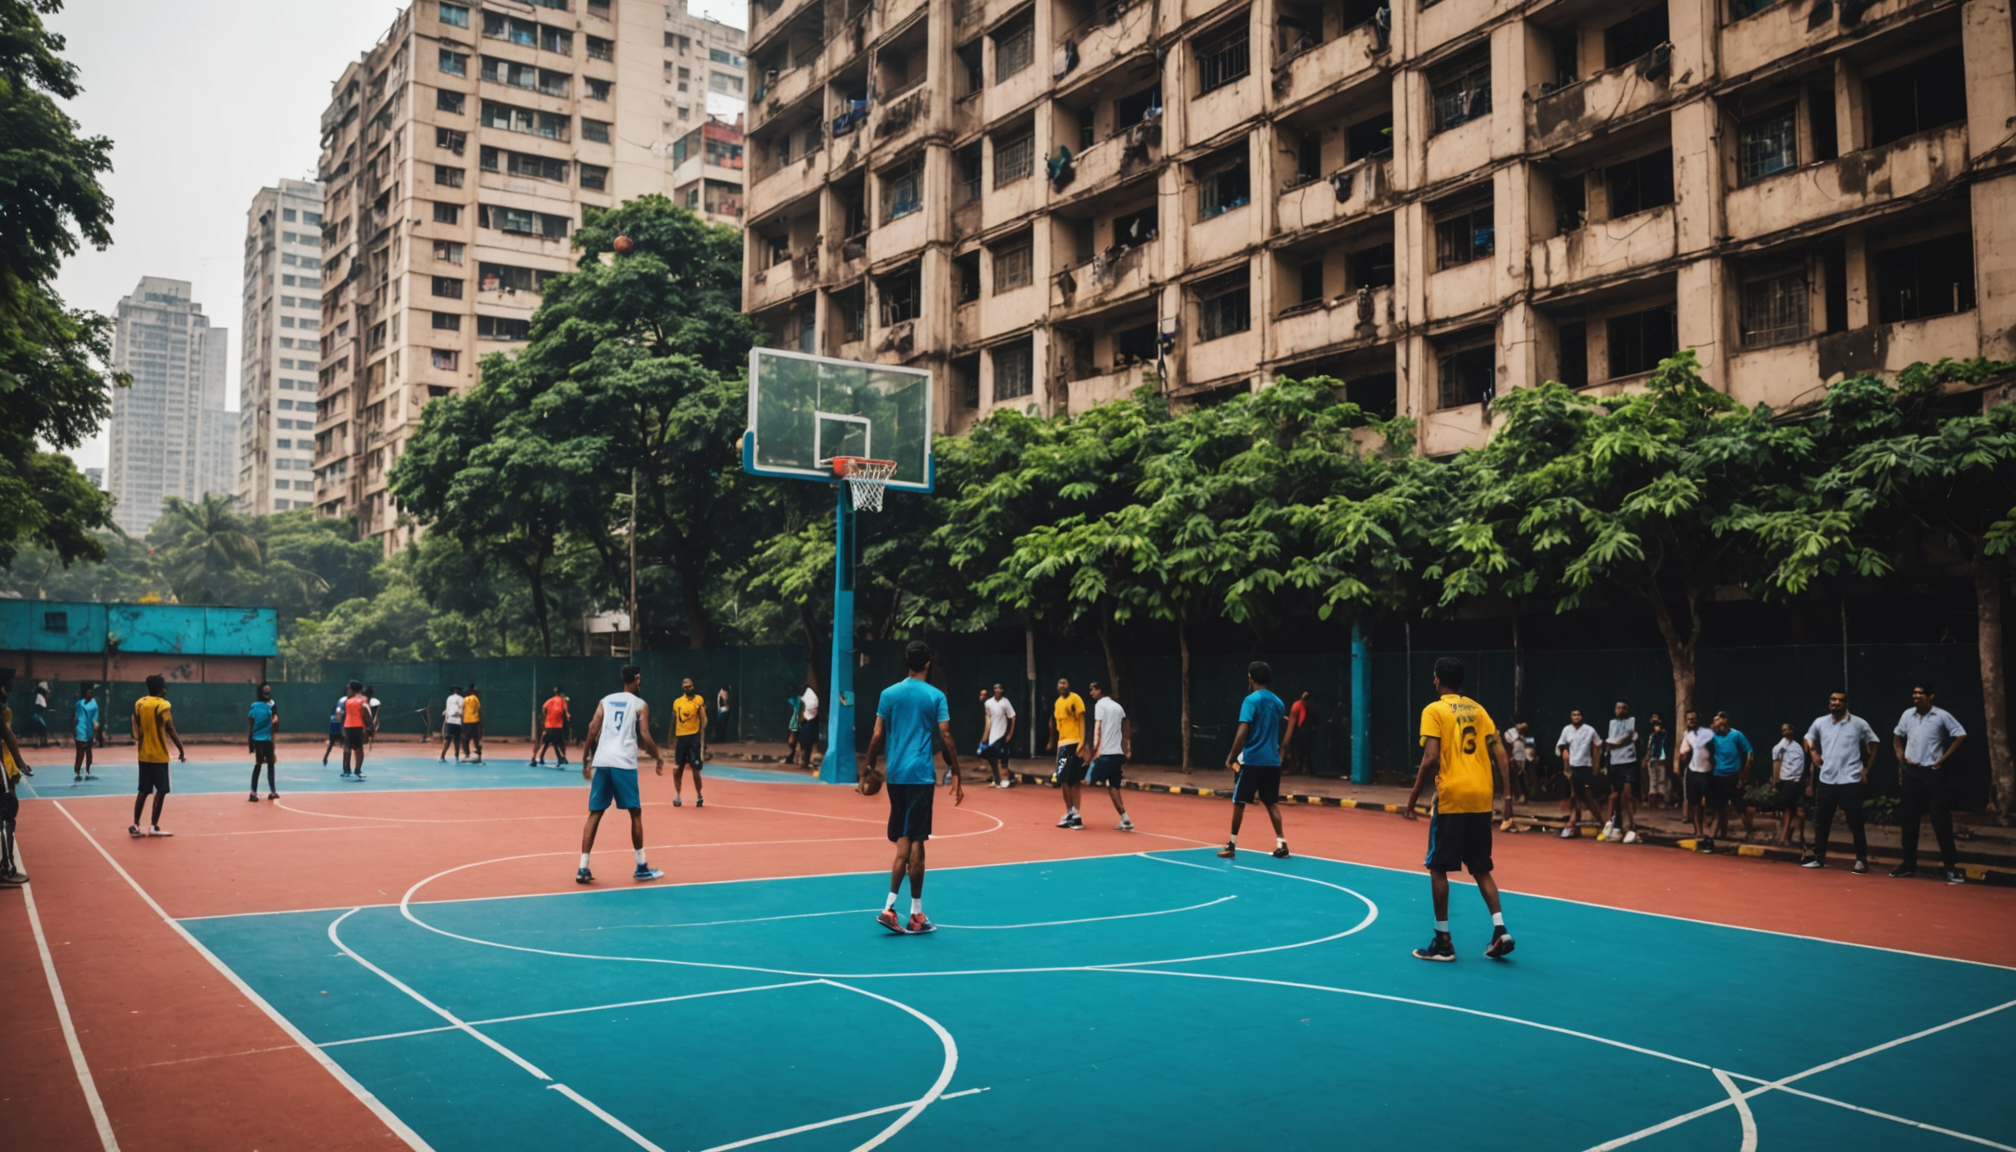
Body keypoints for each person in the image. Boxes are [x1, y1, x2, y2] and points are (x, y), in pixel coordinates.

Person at [1404, 657, 1516, 962]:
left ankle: (1443, 943)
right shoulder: (1479, 710)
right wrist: (1507, 797)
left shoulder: (1434, 710)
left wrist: (1413, 798)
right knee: (1480, 867)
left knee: (1438, 867)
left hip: (1453, 795)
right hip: (1481, 796)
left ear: (1437, 679)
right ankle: (1500, 929)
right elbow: (1500, 753)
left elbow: (1430, 758)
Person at [859, 640, 963, 934]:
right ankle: (908, 913)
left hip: (895, 776)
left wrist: (867, 767)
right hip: (920, 776)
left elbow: (877, 734)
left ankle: (897, 908)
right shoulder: (935, 696)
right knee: (917, 844)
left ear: (907, 662)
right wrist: (956, 772)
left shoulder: (888, 694)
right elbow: (946, 735)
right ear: (928, 663)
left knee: (904, 841)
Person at [576, 664, 665, 884]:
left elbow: (592, 729)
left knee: (595, 813)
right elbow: (645, 735)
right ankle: (641, 866)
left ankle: (583, 868)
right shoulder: (639, 704)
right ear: (637, 679)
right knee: (635, 812)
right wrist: (658, 757)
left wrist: (586, 760)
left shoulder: (605, 701)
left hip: (602, 762)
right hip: (623, 763)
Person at [1892, 684, 1968, 883]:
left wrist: (1943, 758)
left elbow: (1960, 734)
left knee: (1940, 820)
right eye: (1914, 693)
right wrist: (1901, 756)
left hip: (1933, 773)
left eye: (1920, 693)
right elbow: (1897, 736)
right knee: (1909, 820)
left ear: (1930, 696)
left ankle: (1951, 867)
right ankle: (1908, 865)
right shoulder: (1907, 715)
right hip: (1912, 773)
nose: (1916, 696)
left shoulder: (1941, 716)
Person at [1800, 691, 1879, 874]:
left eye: (1840, 700)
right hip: (1827, 779)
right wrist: (1813, 752)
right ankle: (1818, 858)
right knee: (1822, 821)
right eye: (1833, 700)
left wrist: (1866, 769)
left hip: (1850, 779)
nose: (1835, 703)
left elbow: (1874, 743)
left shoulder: (1859, 723)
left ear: (1846, 704)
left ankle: (1861, 860)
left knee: (1855, 822)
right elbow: (1807, 738)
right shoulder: (1820, 722)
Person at [1219, 661, 1291, 859]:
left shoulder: (1250, 701)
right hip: (1272, 761)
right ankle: (1282, 843)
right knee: (1271, 803)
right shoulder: (1278, 703)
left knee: (1239, 801)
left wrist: (1231, 757)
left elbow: (1243, 731)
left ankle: (1231, 844)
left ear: (1251, 679)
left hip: (1252, 760)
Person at [130, 674, 185, 838]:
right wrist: (181, 749)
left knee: (143, 790)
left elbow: (136, 727)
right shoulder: (163, 705)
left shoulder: (139, 703)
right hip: (159, 755)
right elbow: (170, 728)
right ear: (162, 689)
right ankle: (153, 826)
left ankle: (135, 824)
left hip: (143, 754)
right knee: (161, 790)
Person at [1086, 681, 1134, 831]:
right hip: (1117, 754)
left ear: (1100, 690)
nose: (1091, 693)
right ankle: (1125, 818)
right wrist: (1127, 746)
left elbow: (1098, 728)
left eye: (1093, 690)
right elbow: (1126, 723)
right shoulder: (1118, 707)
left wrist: (1094, 751)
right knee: (1113, 786)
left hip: (1105, 753)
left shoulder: (1100, 705)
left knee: (1083, 780)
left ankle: (1073, 815)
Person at [1706, 712, 1755, 843]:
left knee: (1740, 807)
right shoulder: (1714, 735)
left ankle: (1750, 833)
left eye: (1719, 720)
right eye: (1715, 720)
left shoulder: (1736, 734)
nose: (1717, 723)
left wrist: (1744, 774)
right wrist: (1712, 727)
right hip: (1718, 775)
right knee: (1718, 808)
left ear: (1725, 720)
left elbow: (1750, 752)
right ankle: (1716, 835)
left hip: (1733, 775)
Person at [1554, 709, 1603, 840]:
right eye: (1574, 715)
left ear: (1582, 716)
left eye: (1578, 715)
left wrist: (1596, 766)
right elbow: (1560, 744)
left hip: (1585, 766)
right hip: (1572, 767)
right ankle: (1574, 825)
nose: (1576, 717)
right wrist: (1564, 750)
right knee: (1574, 796)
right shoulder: (1566, 730)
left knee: (1588, 796)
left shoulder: (1590, 730)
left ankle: (1603, 824)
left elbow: (1598, 744)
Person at [1049, 677, 1089, 829]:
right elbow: (1057, 726)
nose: (1062, 685)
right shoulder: (1057, 703)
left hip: (1075, 743)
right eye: (1060, 683)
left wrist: (1082, 743)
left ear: (1069, 685)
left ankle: (1077, 815)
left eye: (1064, 683)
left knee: (1074, 780)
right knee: (1063, 780)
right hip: (1062, 745)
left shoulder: (1075, 699)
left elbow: (1082, 721)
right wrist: (1056, 745)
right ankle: (1069, 812)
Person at [1601, 700, 1642, 843]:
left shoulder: (1632, 721)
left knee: (1627, 795)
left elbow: (1629, 738)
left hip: (1629, 762)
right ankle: (1616, 827)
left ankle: (1630, 827)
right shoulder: (1611, 723)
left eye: (1624, 708)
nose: (1621, 710)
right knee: (1615, 796)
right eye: (1618, 708)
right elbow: (1608, 743)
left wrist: (1615, 743)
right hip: (1614, 763)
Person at [0, 685, 27, 885]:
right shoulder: (2, 710)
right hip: (4, 765)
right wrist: (20, 764)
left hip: (6, 763)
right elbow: (9, 736)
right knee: (6, 814)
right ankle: (6, 869)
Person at [1678, 710, 1717, 843]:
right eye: (1689, 719)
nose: (1692, 720)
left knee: (1710, 802)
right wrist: (1682, 758)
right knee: (1694, 803)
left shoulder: (1706, 733)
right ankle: (1698, 832)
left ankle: (1713, 828)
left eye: (1694, 718)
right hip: (1693, 771)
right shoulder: (1686, 735)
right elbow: (1683, 754)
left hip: (1708, 771)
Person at [1770, 721, 1808, 848]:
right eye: (1784, 730)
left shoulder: (1798, 747)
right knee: (1787, 809)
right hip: (1786, 780)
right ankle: (1783, 837)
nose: (1786, 731)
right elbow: (1776, 764)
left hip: (1797, 781)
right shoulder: (1779, 747)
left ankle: (1789, 836)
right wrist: (1776, 781)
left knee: (1797, 810)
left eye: (1788, 729)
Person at [671, 677, 707, 807]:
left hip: (694, 738)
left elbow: (703, 719)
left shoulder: (699, 700)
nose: (688, 688)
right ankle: (677, 795)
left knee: (695, 768)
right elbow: (674, 720)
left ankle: (699, 795)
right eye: (685, 686)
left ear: (693, 686)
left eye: (690, 686)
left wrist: (702, 739)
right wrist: (671, 738)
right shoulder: (677, 702)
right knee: (678, 768)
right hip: (681, 738)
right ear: (682, 688)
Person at [247, 683, 279, 801]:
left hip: (265, 740)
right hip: (260, 740)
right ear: (261, 692)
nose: (267, 693)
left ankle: (270, 791)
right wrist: (250, 744)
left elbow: (274, 724)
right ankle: (255, 792)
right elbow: (251, 727)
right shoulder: (259, 707)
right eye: (265, 691)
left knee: (268, 763)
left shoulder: (267, 707)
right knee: (261, 763)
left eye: (268, 692)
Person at [982, 683, 1016, 789]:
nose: (997, 690)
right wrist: (985, 735)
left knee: (1003, 759)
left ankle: (1007, 779)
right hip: (992, 735)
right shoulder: (988, 703)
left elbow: (1013, 717)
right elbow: (988, 718)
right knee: (992, 758)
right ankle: (997, 780)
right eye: (995, 688)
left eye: (999, 688)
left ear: (1002, 690)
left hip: (1002, 734)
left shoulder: (1005, 702)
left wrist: (1010, 733)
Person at [338, 680, 370, 780]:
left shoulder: (346, 700)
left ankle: (346, 771)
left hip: (348, 726)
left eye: (348, 689)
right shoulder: (363, 700)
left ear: (352, 690)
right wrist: (369, 726)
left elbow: (339, 715)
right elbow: (366, 713)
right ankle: (357, 771)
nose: (347, 691)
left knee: (347, 748)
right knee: (358, 749)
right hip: (358, 726)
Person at [72, 682, 103, 782]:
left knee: (88, 752)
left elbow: (95, 721)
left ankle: (88, 770)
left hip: (89, 731)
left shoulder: (94, 705)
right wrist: (73, 731)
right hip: (80, 729)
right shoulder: (79, 704)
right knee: (80, 752)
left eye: (91, 691)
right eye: (88, 691)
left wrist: (95, 736)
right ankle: (77, 768)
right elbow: (75, 718)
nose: (90, 693)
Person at [533, 687, 571, 767]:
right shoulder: (562, 701)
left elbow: (544, 707)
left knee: (545, 741)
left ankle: (535, 757)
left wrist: (545, 717)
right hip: (557, 726)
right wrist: (567, 715)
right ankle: (562, 757)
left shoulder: (550, 700)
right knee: (559, 743)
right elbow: (567, 712)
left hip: (548, 725)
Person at [1644, 712, 1673, 809]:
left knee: (1662, 779)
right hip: (1652, 759)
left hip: (1662, 759)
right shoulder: (1651, 734)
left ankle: (1662, 801)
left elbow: (1667, 744)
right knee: (1653, 780)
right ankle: (1653, 802)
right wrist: (1647, 757)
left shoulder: (1664, 733)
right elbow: (1649, 747)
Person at [1285, 690, 1314, 774]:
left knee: (1302, 751)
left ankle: (1300, 768)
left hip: (1301, 731)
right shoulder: (1300, 706)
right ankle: (1299, 768)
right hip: (1300, 731)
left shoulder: (1301, 705)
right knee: (1301, 750)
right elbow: (1301, 720)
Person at [798, 683, 821, 769]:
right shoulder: (809, 698)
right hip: (807, 723)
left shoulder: (811, 699)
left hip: (809, 724)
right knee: (805, 743)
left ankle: (805, 760)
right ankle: (804, 760)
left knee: (807, 743)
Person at [441, 685, 465, 762]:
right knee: (456, 740)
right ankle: (455, 757)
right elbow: (460, 710)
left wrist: (446, 717)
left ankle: (443, 756)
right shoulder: (461, 699)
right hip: (455, 722)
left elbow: (448, 709)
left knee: (449, 739)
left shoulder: (450, 698)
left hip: (452, 721)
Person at [463, 683, 485, 763]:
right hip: (475, 721)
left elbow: (463, 709)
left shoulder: (465, 699)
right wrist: (480, 721)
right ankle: (479, 754)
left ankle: (467, 754)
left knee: (466, 738)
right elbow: (479, 710)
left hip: (467, 721)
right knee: (476, 738)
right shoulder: (475, 698)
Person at [321, 692, 345, 765]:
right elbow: (338, 716)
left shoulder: (338, 705)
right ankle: (346, 763)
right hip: (338, 726)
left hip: (335, 726)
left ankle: (325, 757)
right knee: (344, 743)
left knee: (332, 743)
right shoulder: (341, 705)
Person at [30, 681, 49, 748]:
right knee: (41, 728)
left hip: (39, 715)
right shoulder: (38, 696)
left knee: (42, 728)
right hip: (37, 715)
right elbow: (38, 707)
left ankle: (42, 742)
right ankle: (39, 743)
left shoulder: (42, 697)